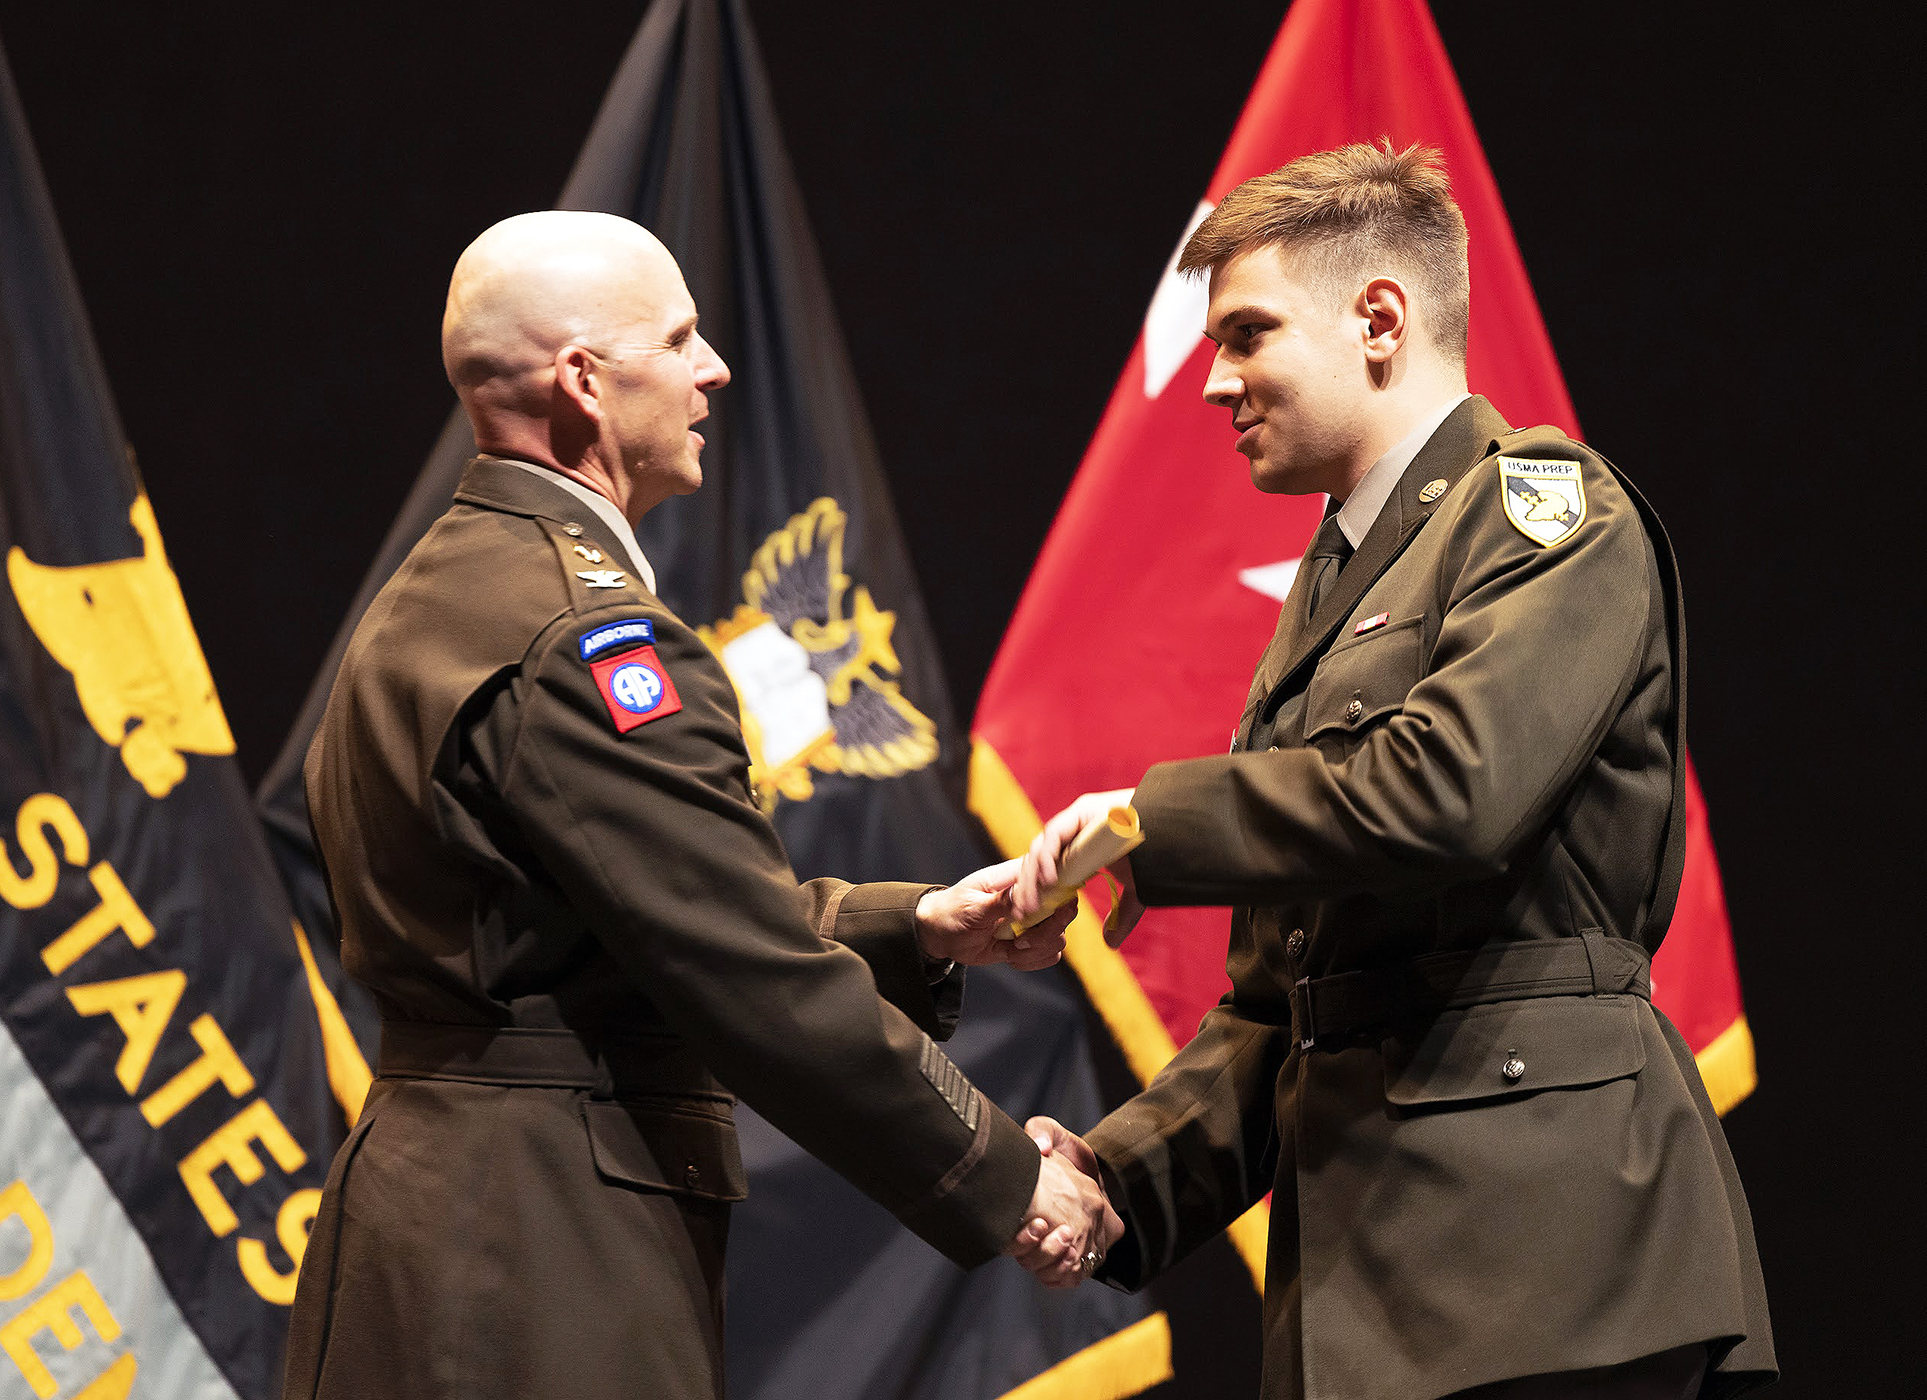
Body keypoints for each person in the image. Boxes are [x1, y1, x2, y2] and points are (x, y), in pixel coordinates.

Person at [279, 210, 1112, 1400]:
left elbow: (602, 916)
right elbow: (741, 963)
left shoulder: (441, 587)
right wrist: (1004, 1173)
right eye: (679, 338)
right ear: (584, 381)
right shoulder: (589, 638)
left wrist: (910, 920)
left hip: (439, 1224)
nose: (714, 366)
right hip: (542, 1254)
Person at [1011, 142, 1776, 1399]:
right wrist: (1112, 1181)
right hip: (1377, 1282)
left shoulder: (1549, 512)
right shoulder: (1333, 584)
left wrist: (1146, 816)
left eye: (1249, 335)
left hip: (1552, 1264)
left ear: (1380, 318)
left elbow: (1446, 790)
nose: (1215, 383)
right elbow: (1288, 998)